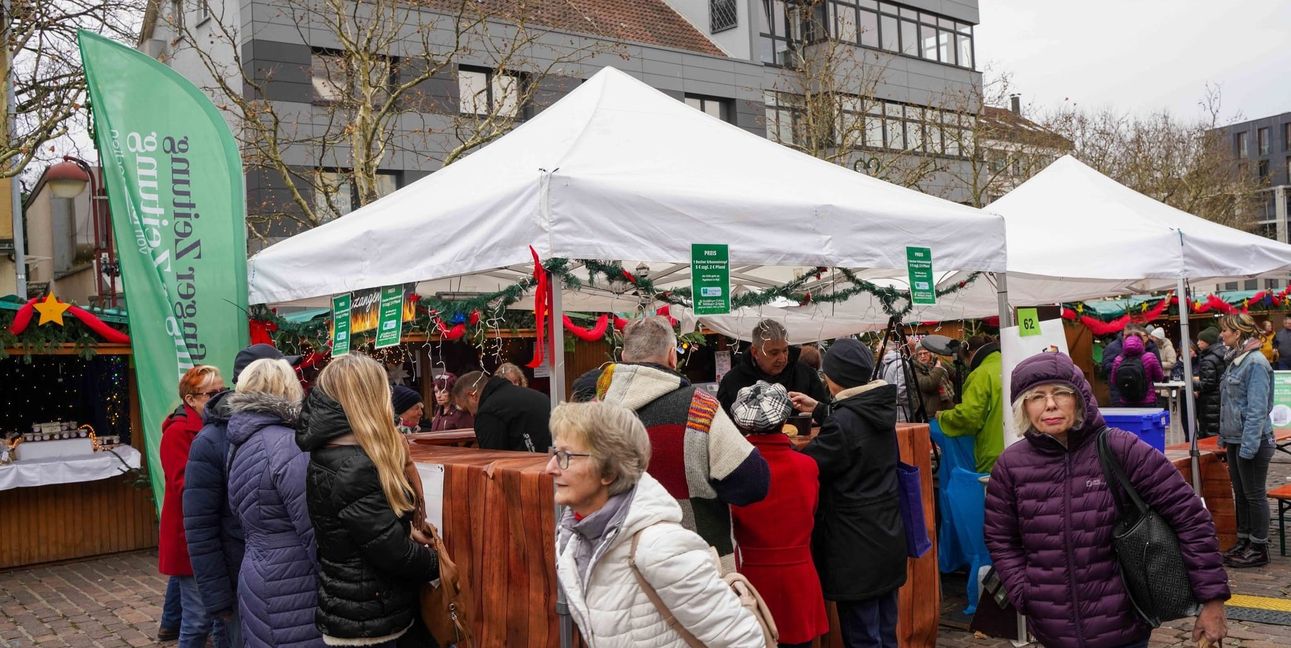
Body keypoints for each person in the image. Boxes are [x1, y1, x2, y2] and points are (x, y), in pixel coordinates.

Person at [984, 351, 1229, 648]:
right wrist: (1026, 593)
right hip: (1052, 630)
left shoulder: (1120, 448)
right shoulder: (1011, 465)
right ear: (1024, 406)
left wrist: (1212, 599)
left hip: (1123, 627)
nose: (1050, 404)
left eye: (1060, 393)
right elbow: (1001, 537)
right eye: (1036, 396)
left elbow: (1189, 516)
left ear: (1079, 398)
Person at [549, 401, 766, 647]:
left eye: (565, 456)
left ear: (608, 470)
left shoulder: (659, 547)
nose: (550, 468)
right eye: (554, 453)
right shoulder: (578, 538)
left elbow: (744, 639)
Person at [597, 316, 770, 561]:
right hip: (697, 562)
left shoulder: (595, 413)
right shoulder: (699, 408)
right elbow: (753, 483)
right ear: (671, 356)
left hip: (620, 561)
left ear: (624, 357)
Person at [297, 354, 440, 647]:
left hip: (358, 609)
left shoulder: (331, 451)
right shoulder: (355, 465)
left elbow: (363, 530)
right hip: (370, 618)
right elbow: (393, 553)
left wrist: (403, 530)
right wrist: (441, 564)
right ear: (368, 398)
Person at [185, 344, 298, 648]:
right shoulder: (211, 440)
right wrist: (218, 599)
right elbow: (199, 527)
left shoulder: (289, 430)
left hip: (277, 583)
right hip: (237, 583)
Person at [800, 338, 905, 648]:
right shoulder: (879, 409)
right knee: (886, 631)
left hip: (855, 547)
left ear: (832, 378)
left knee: (862, 637)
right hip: (885, 538)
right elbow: (853, 426)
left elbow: (808, 465)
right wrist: (820, 408)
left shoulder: (843, 424)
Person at [226, 358, 323, 647]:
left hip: (259, 573)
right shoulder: (286, 445)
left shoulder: (241, 440)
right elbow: (314, 529)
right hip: (294, 584)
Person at [729, 382, 829, 648]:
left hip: (754, 578)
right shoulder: (807, 465)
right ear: (784, 418)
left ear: (743, 424)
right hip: (800, 575)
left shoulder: (735, 471)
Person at [160, 365, 227, 648]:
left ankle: (168, 624)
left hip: (209, 532)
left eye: (224, 391)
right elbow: (184, 485)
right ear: (191, 399)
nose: (221, 397)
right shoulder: (177, 433)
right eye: (212, 393)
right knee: (197, 619)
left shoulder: (214, 426)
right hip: (189, 535)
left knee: (215, 616)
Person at [1218, 313, 1277, 568]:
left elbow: (1257, 409)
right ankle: (1244, 540)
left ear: (1238, 334)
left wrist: (1249, 447)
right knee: (1240, 494)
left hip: (1252, 439)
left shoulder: (1255, 363)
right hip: (1235, 439)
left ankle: (1259, 546)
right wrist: (1224, 438)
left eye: (1225, 331)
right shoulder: (1236, 361)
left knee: (1254, 494)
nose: (1222, 335)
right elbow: (1228, 403)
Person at [717, 319, 831, 425]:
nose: (782, 358)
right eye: (774, 353)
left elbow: (829, 417)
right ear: (755, 352)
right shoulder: (732, 381)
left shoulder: (806, 375)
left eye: (785, 350)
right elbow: (721, 427)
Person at [936, 335, 1005, 474]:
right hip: (1020, 447)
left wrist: (943, 417)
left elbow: (969, 416)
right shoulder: (1011, 363)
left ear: (971, 354)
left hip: (994, 456)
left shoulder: (981, 374)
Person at [452, 370, 551, 452]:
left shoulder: (489, 412)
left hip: (536, 469)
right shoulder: (526, 395)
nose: (471, 414)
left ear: (473, 396)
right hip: (558, 462)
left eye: (466, 409)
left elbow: (493, 463)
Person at [1110, 331, 1165, 407]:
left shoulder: (1118, 360)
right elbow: (1159, 377)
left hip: (1125, 402)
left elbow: (1113, 381)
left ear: (1124, 344)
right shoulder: (1149, 357)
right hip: (1147, 401)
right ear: (1142, 343)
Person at [1195, 327, 1227, 439]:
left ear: (1208, 342)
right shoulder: (1222, 353)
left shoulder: (1208, 359)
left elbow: (1208, 384)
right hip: (1220, 398)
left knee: (1210, 433)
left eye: (1201, 340)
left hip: (1210, 401)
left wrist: (1191, 384)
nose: (1198, 343)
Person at [912, 341, 953, 418]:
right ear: (916, 355)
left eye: (925, 353)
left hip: (948, 410)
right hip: (930, 413)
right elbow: (927, 385)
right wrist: (937, 369)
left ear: (930, 353)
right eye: (920, 354)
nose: (923, 356)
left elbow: (957, 377)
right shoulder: (915, 369)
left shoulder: (941, 364)